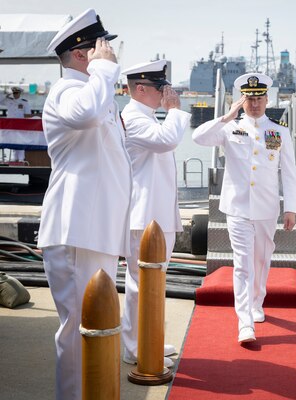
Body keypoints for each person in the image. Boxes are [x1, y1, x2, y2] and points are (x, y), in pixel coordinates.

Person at [37, 9, 132, 400]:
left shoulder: (95, 92)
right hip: (77, 230)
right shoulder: (69, 92)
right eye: (101, 46)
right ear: (82, 54)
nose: (110, 51)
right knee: (79, 333)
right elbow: (88, 114)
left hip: (96, 231)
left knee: (97, 328)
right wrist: (104, 72)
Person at [192, 72, 296, 344]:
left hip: (266, 208)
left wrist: (291, 208)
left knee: (261, 260)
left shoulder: (280, 131)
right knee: (242, 264)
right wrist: (227, 116)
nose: (254, 104)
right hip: (237, 208)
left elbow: (289, 172)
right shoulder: (229, 128)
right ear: (242, 100)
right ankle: (245, 323)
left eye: (259, 98)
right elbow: (198, 138)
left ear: (267, 99)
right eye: (249, 98)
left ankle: (256, 302)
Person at [120, 59, 191, 367]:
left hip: (156, 215)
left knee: (153, 284)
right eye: (160, 87)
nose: (166, 92)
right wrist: (174, 110)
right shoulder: (133, 117)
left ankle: (149, 341)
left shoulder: (146, 116)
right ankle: (137, 349)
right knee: (141, 285)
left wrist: (169, 113)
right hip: (143, 217)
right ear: (140, 88)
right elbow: (167, 141)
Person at [0, 86, 33, 161]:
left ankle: (21, 158)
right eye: (14, 93)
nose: (15, 94)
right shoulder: (8, 100)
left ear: (20, 93)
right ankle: (15, 158)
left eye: (16, 93)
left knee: (20, 140)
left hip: (20, 124)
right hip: (11, 124)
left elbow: (28, 115)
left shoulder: (24, 102)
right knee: (12, 140)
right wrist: (6, 95)